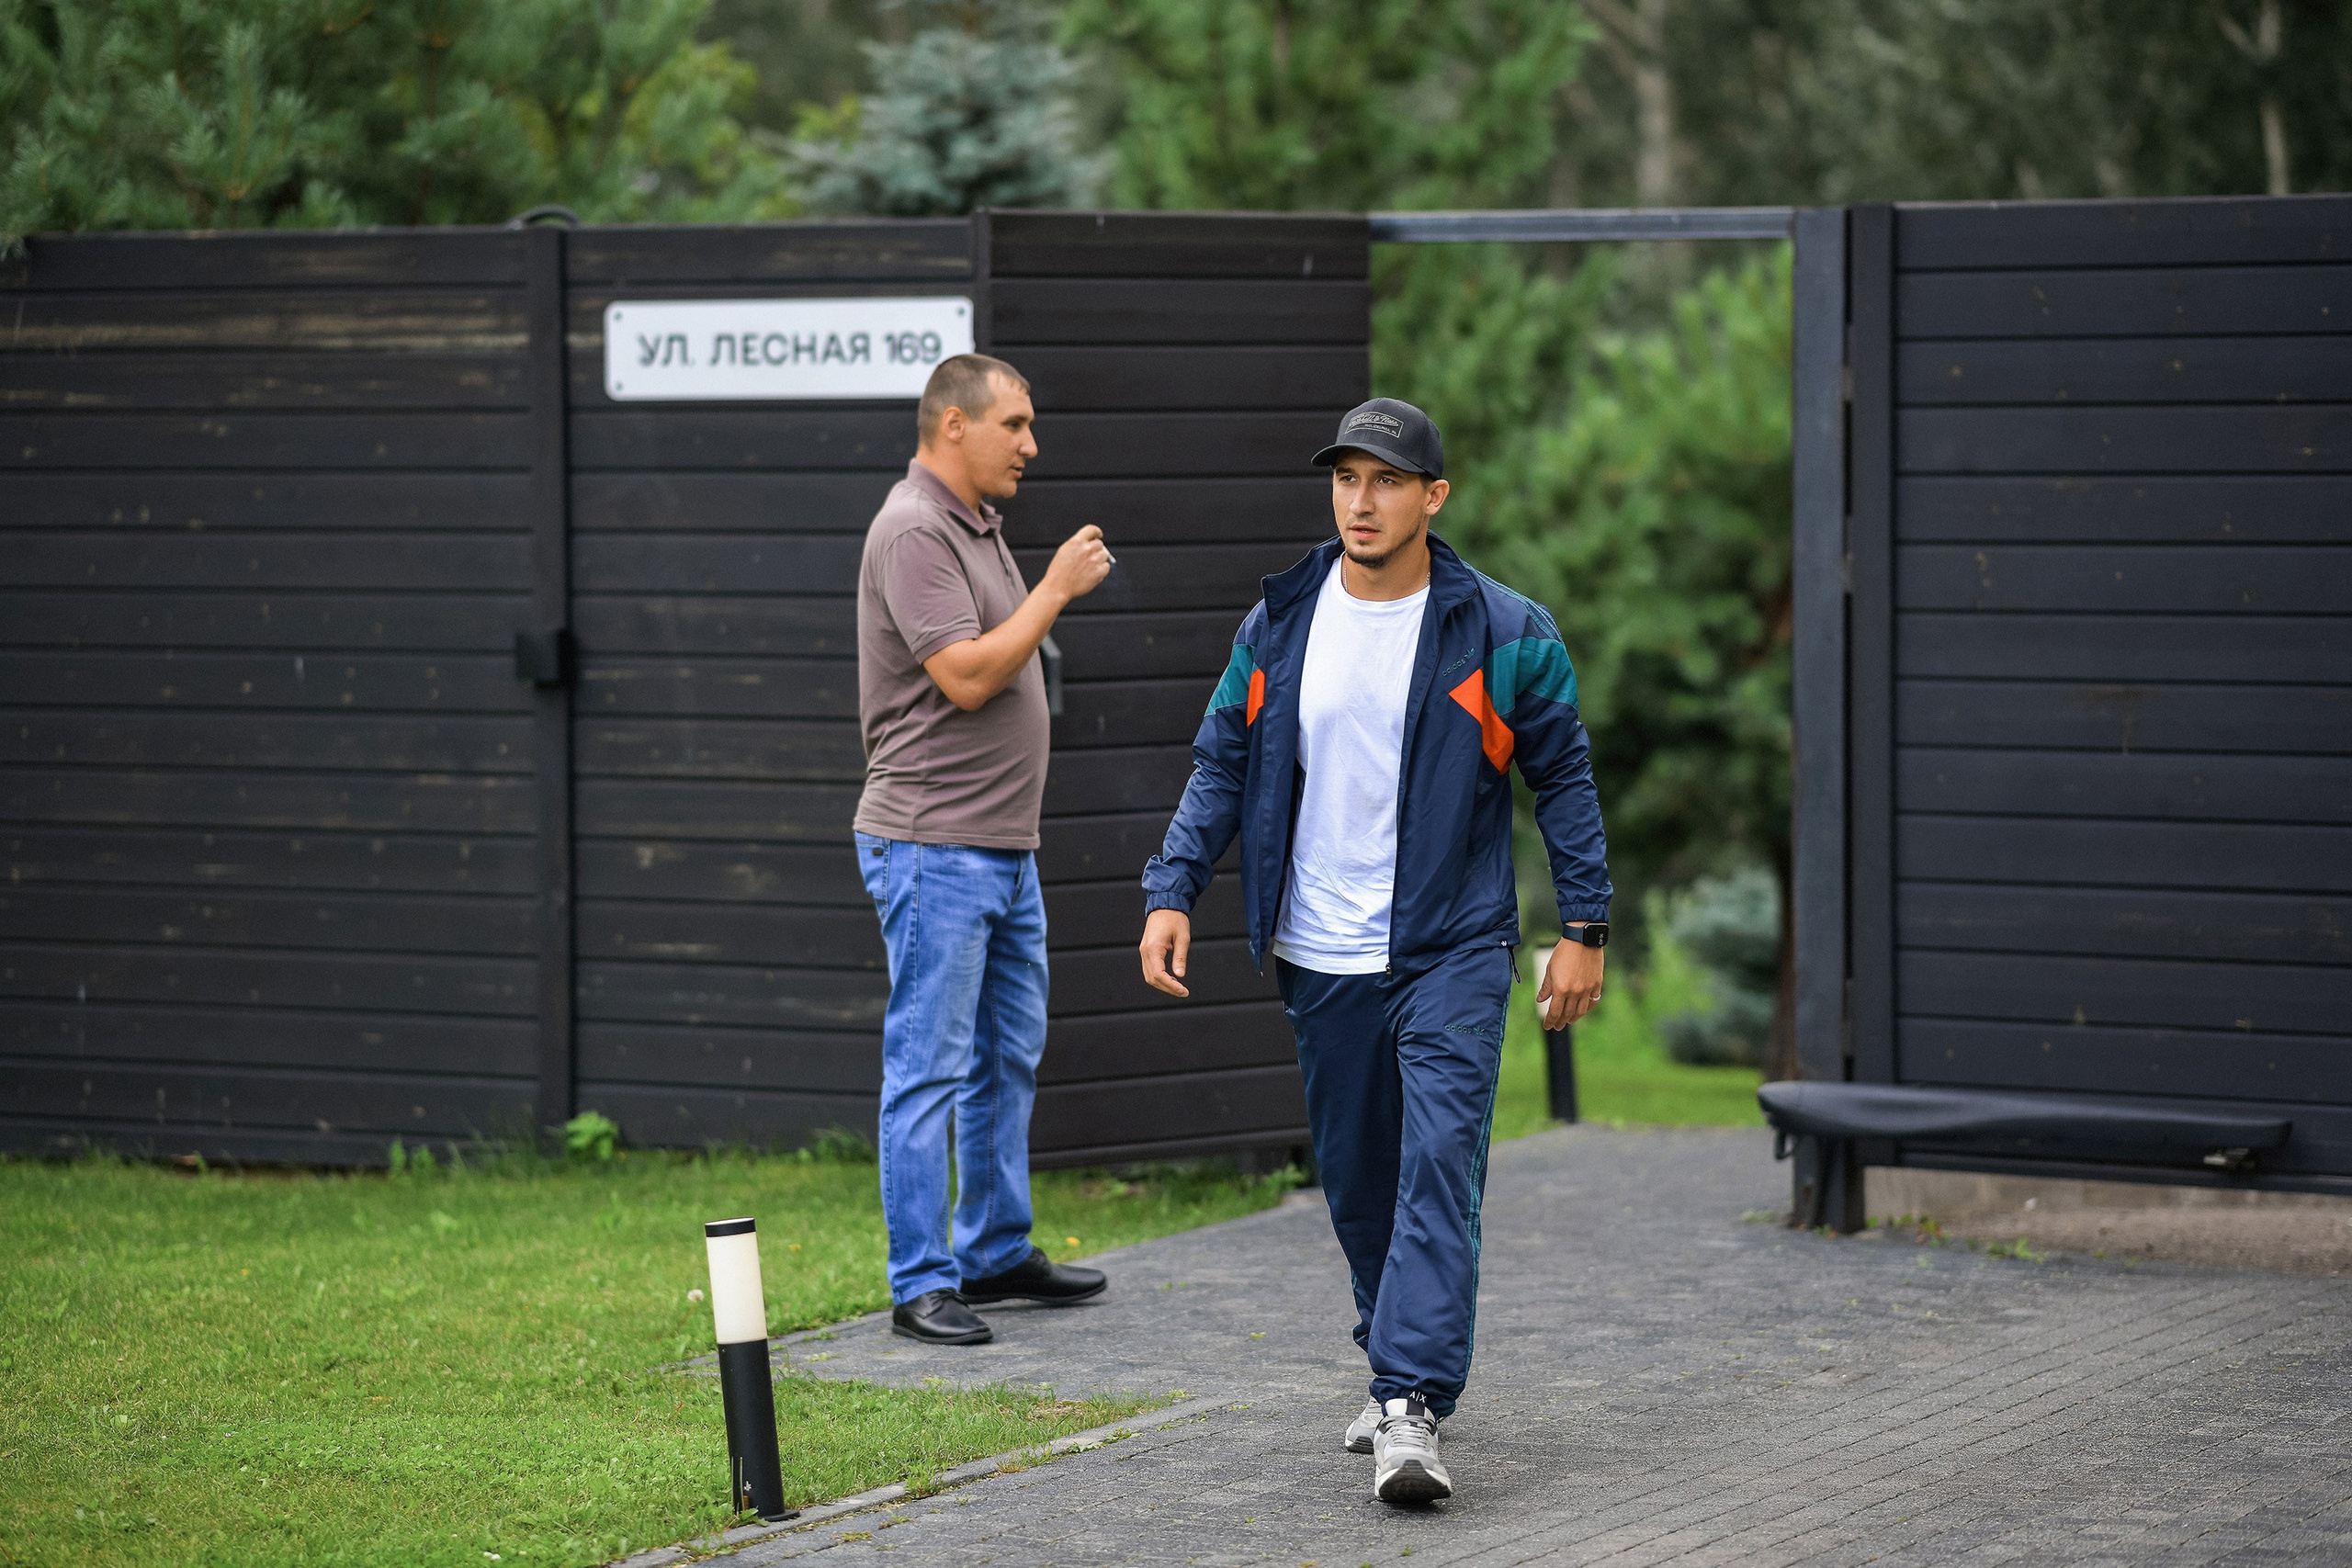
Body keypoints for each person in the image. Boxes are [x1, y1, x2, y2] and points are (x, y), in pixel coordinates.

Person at [1136, 398, 1611, 1505]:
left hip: (1450, 946)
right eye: (1346, 478)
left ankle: (1408, 1403)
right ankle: (1390, 1360)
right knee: (1359, 1183)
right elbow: (1221, 762)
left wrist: (1582, 929)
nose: (1361, 500)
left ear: (1432, 497)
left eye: (1386, 480)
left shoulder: (1505, 632)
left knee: (1439, 1166)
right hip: (1317, 951)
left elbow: (1565, 780)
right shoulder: (1280, 620)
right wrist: (1172, 889)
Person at [854, 353, 1114, 1345]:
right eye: (1014, 424)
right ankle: (921, 1280)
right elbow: (964, 678)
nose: (1030, 444)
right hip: (933, 845)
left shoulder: (973, 526)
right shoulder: (914, 528)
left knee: (1005, 1055)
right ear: (952, 426)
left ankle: (994, 1249)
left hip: (1001, 846)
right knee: (928, 1065)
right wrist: (1051, 591)